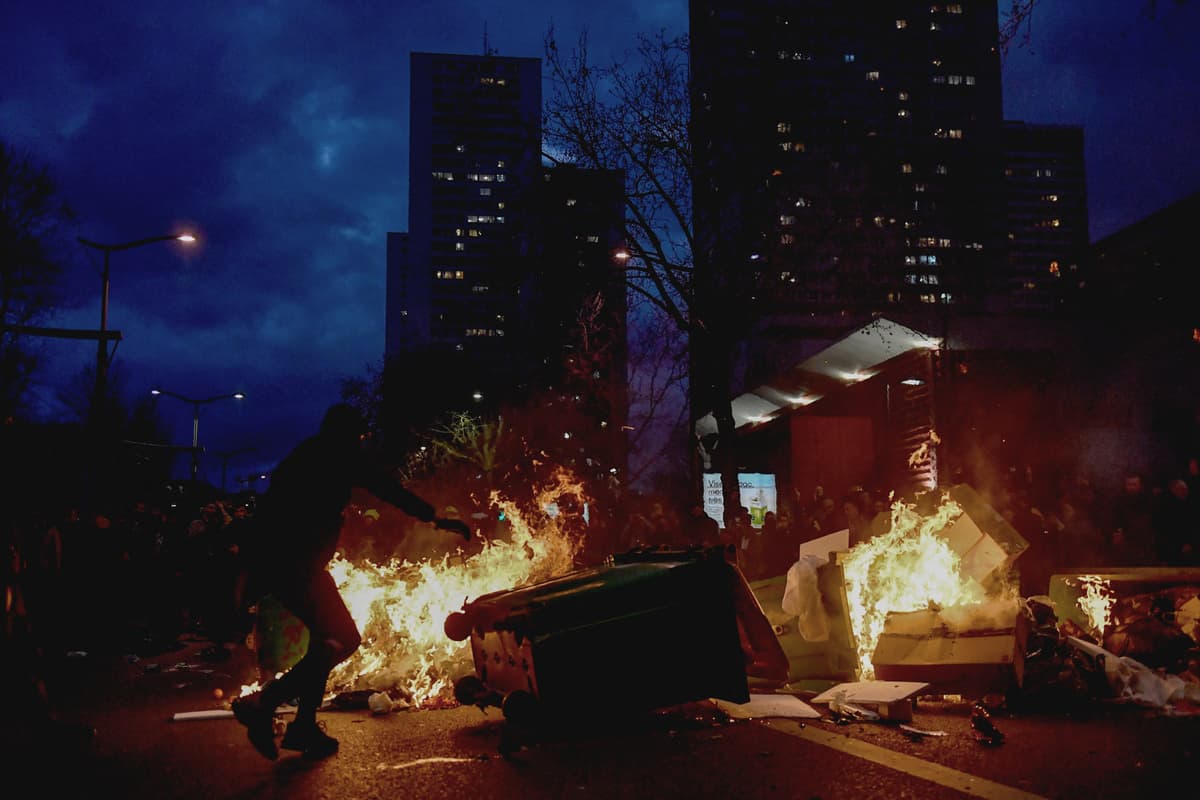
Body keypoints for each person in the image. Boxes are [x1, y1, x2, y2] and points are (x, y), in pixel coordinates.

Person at [231, 403, 470, 761]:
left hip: (288, 565)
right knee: (344, 638)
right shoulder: (338, 455)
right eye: (360, 435)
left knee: (326, 641)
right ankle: (266, 702)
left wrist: (250, 573)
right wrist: (435, 518)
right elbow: (387, 488)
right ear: (347, 433)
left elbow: (267, 513)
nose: (362, 442)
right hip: (299, 566)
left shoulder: (305, 453)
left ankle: (303, 725)